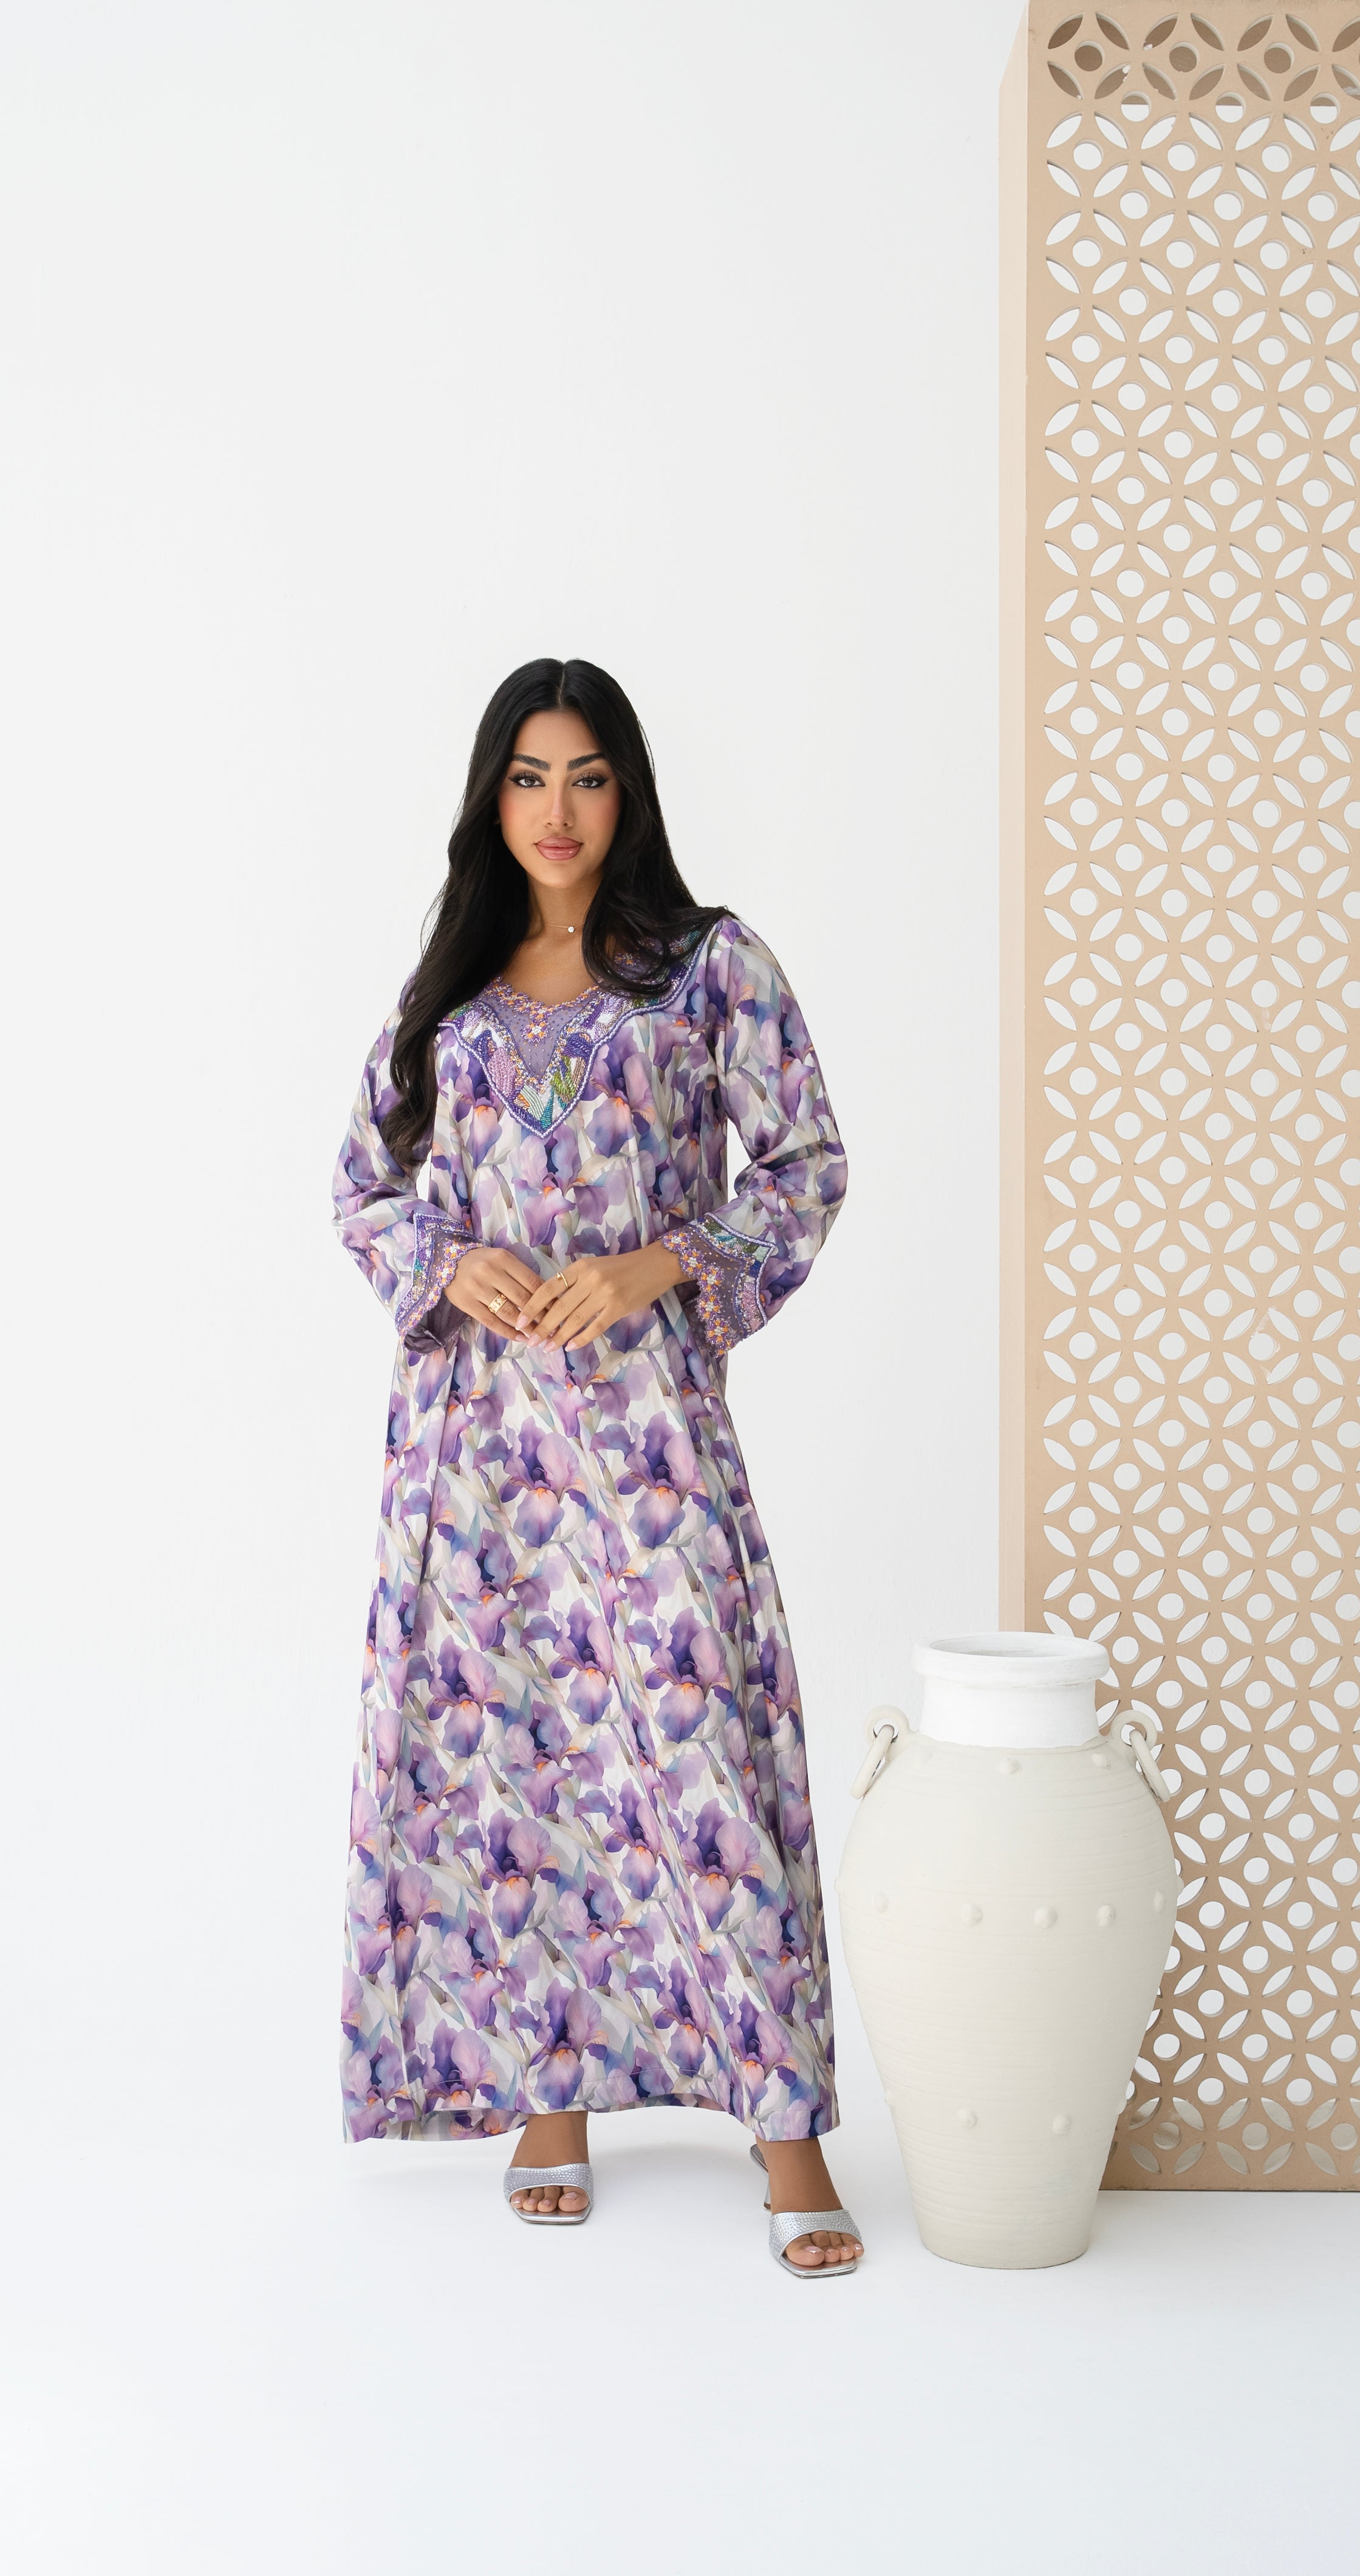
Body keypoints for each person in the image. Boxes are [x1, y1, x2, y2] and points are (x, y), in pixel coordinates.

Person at [333, 657, 862, 2276]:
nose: (555, 811)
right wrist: (453, 1262)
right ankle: (547, 2103)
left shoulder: (707, 967)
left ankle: (787, 2131)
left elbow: (807, 1163)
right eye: (527, 777)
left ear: (627, 791)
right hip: (478, 1451)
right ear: (490, 798)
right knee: (519, 1756)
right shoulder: (451, 988)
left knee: (703, 1758)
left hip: (647, 1437)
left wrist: (658, 1264)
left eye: (586, 776)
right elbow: (363, 1187)